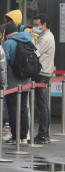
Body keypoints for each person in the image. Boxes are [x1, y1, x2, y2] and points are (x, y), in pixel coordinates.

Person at [2, 22, 33, 145]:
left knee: (13, 108)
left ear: (7, 33)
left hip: (12, 79)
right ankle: (24, 136)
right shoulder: (28, 40)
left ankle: (15, 136)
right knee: (23, 108)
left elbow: (5, 61)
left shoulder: (8, 43)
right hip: (26, 79)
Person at [33, 14, 54, 144]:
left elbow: (35, 51)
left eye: (37, 25)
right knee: (43, 104)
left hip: (42, 72)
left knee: (42, 104)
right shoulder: (45, 36)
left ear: (44, 25)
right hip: (45, 72)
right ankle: (44, 133)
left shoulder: (46, 37)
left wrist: (30, 39)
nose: (35, 27)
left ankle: (43, 134)